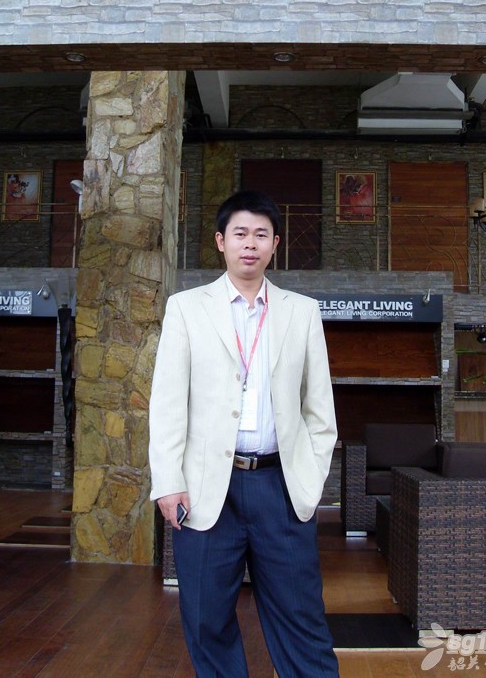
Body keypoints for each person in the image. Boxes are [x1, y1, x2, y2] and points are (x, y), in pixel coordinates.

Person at [149, 190, 339, 678]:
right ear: (221, 241)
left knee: (301, 618)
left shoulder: (302, 311)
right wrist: (168, 481)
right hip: (208, 487)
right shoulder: (186, 308)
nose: (249, 244)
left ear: (275, 244)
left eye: (260, 235)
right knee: (205, 618)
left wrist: (310, 478)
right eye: (240, 234)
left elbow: (320, 412)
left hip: (280, 485)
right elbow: (168, 404)